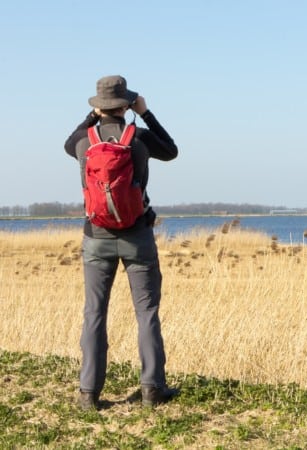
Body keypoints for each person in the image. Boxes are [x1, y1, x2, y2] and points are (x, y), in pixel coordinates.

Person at [64, 75, 179, 410]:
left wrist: (92, 118)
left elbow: (66, 142)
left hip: (95, 239)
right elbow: (171, 151)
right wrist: (145, 113)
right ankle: (152, 388)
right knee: (146, 312)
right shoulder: (139, 139)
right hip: (137, 236)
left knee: (94, 313)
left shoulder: (83, 143)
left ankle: (89, 393)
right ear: (127, 104)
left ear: (99, 107)